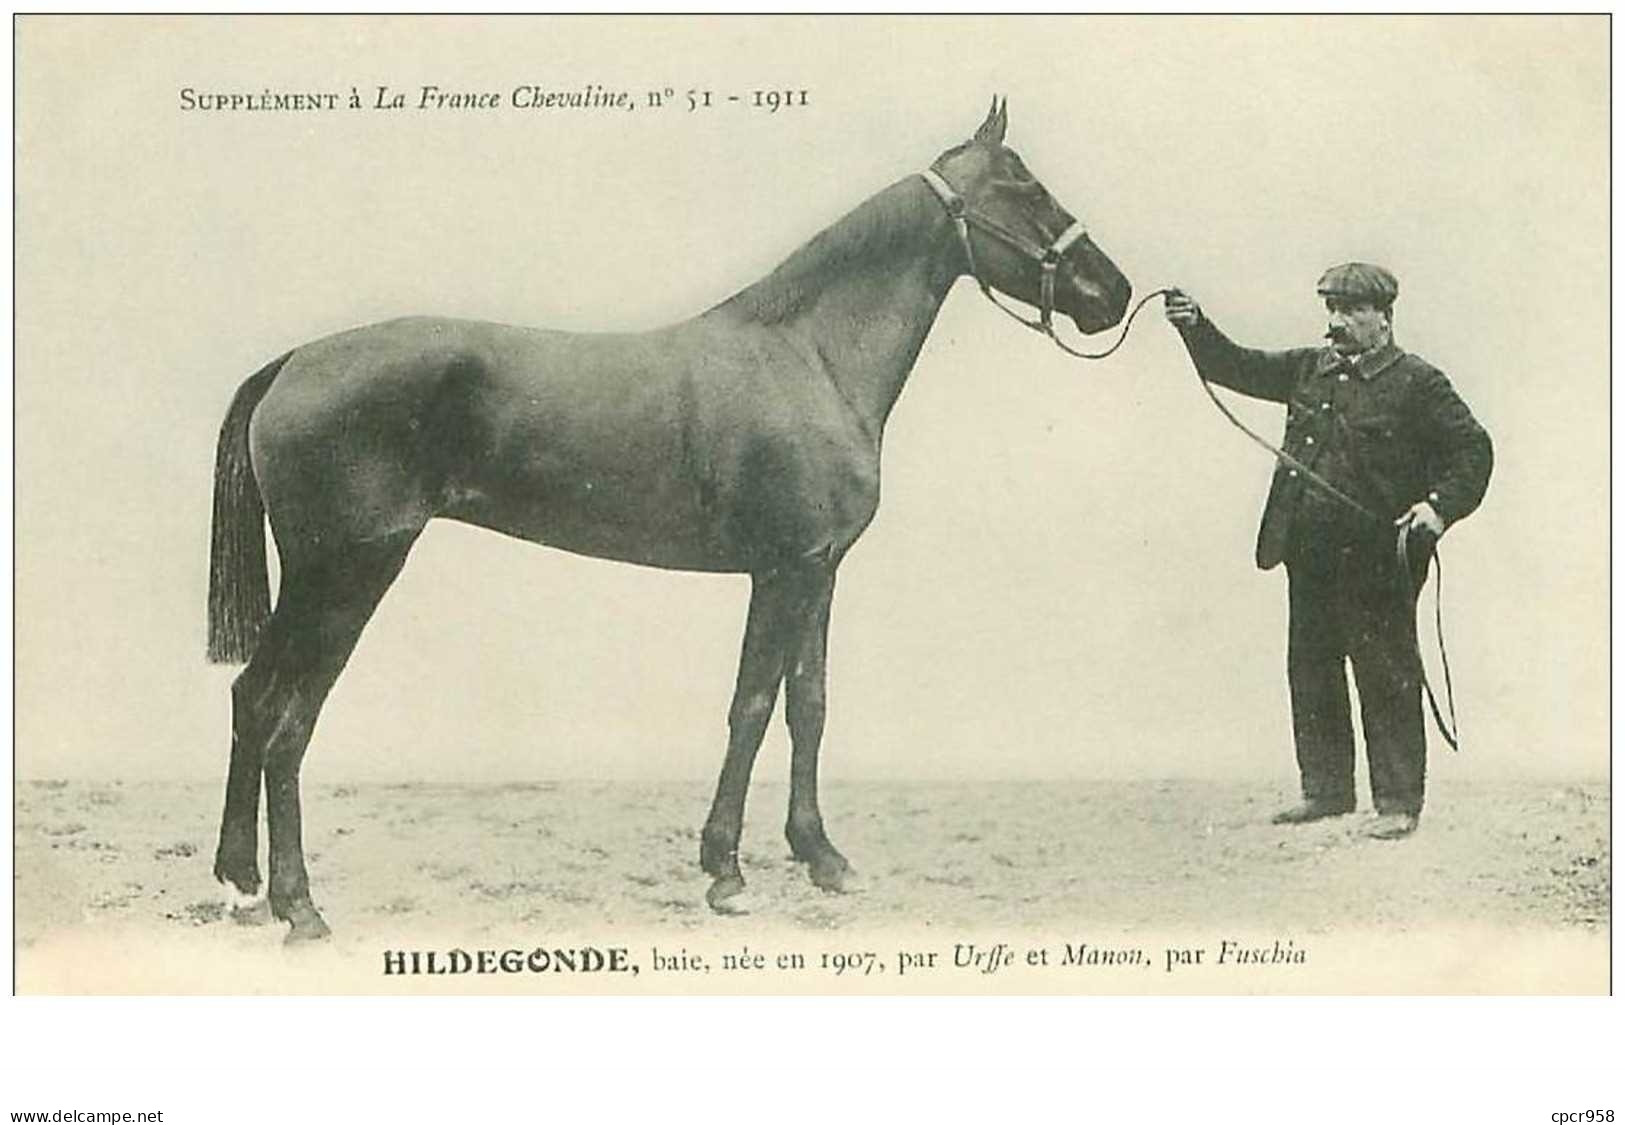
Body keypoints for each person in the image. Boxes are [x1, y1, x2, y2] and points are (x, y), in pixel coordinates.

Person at [1163, 264, 1492, 839]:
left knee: (1384, 670)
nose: (1335, 323)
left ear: (1383, 318)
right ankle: (1327, 791)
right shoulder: (1307, 369)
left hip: (1378, 556)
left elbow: (1473, 450)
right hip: (1307, 549)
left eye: (1349, 312)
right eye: (1331, 310)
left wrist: (1437, 510)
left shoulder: (1419, 382)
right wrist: (1195, 327)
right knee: (1311, 668)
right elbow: (1233, 365)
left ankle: (1397, 803)